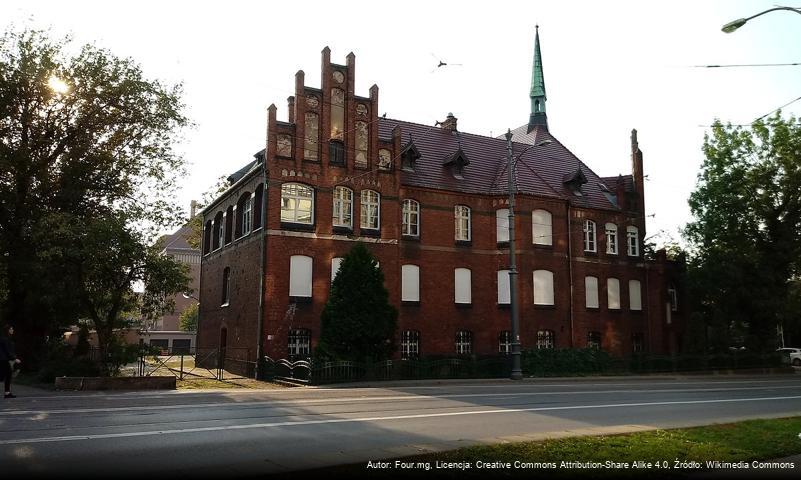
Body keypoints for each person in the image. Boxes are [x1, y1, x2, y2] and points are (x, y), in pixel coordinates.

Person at [0, 324, 21, 398]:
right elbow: (7, 351)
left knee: (7, 375)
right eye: (11, 329)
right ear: (7, 330)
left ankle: (7, 393)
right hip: (3, 360)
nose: (12, 330)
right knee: (4, 376)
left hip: (4, 359)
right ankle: (7, 393)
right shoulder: (5, 339)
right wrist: (15, 359)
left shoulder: (7, 338)